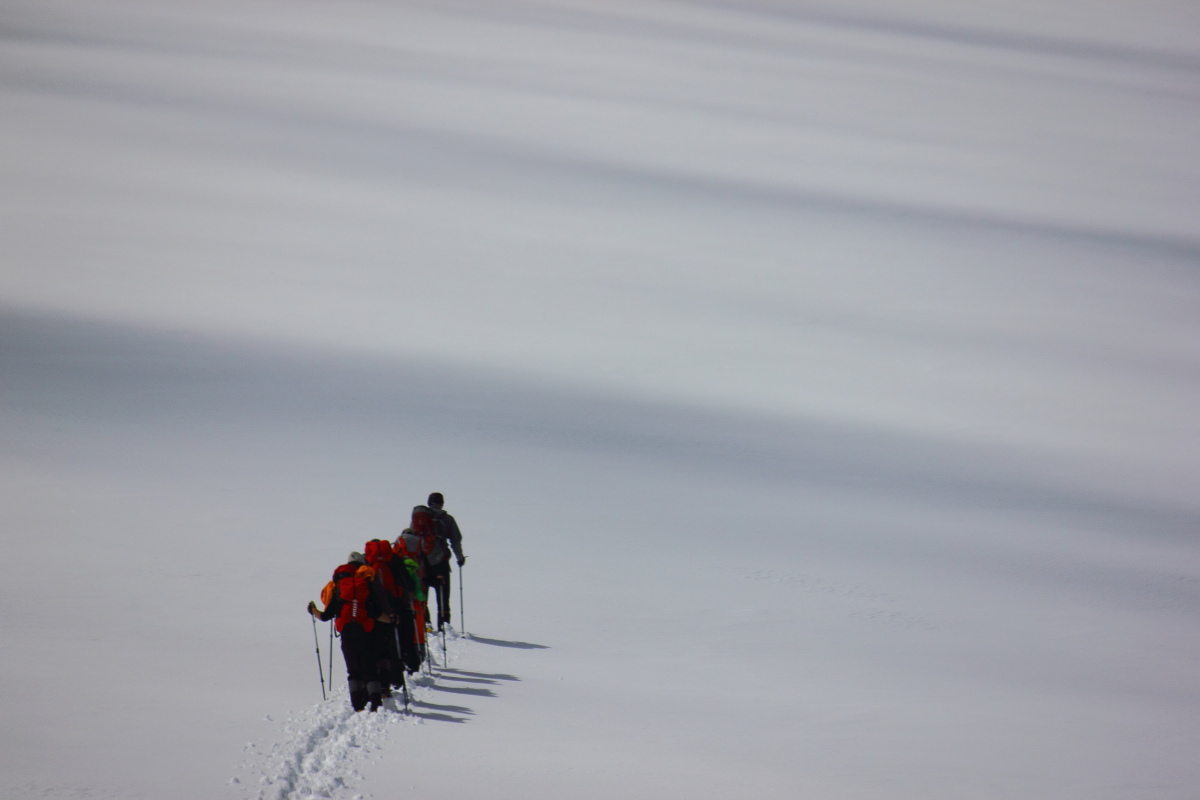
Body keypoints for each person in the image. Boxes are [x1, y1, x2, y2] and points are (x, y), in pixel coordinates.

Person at [307, 552, 392, 712]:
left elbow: (325, 616)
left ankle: (357, 705)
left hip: (347, 635)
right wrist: (392, 619)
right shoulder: (366, 586)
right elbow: (378, 613)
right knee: (370, 671)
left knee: (353, 672)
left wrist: (313, 610)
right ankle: (375, 705)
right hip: (367, 634)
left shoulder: (340, 589)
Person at [425, 492, 466, 631]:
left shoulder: (420, 518)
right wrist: (460, 558)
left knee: (422, 594)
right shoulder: (447, 519)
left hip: (422, 563)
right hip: (441, 563)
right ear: (442, 503)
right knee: (443, 596)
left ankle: (425, 622)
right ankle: (444, 624)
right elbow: (456, 541)